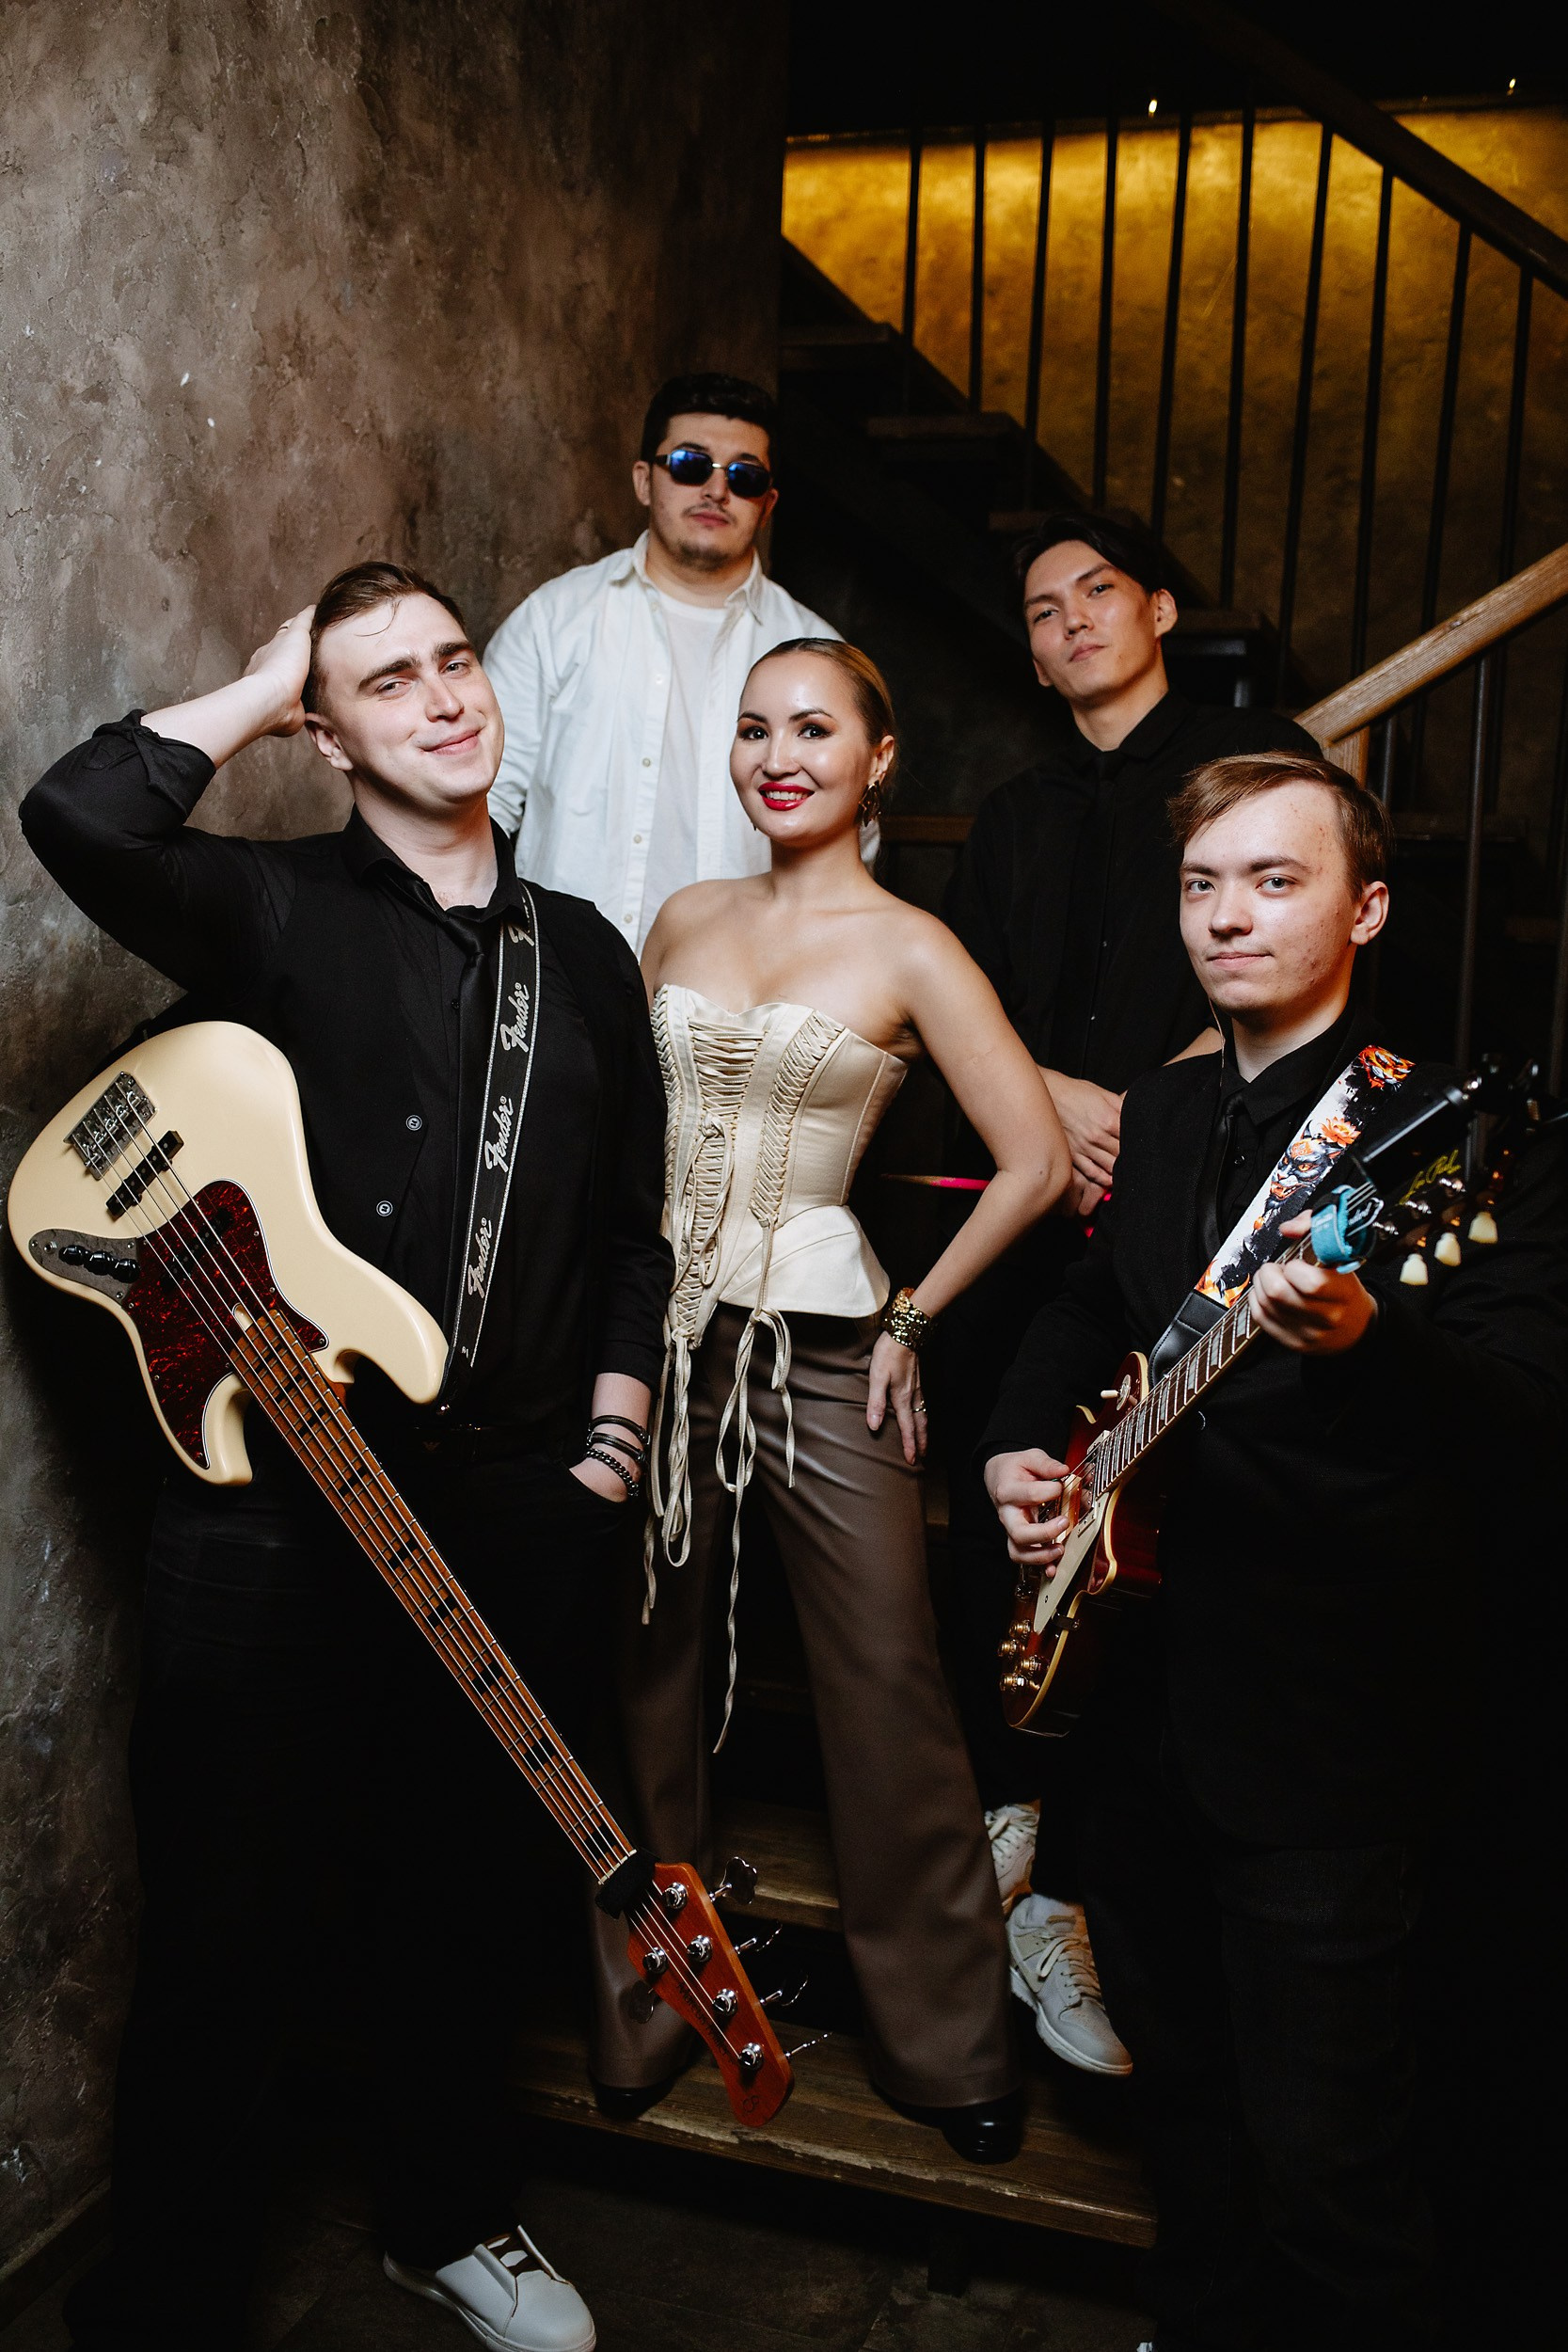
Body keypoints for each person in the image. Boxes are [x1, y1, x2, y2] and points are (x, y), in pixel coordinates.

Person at [19, 564, 674, 2352]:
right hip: (270, 1507)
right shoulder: (274, 906)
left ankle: (445, 2217)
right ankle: (167, 2297)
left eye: (455, 661)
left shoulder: (585, 953)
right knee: (223, 1917)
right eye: (386, 682)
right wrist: (259, 687)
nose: (444, 697)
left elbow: (632, 1230)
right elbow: (79, 813)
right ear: (327, 732)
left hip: (512, 1496)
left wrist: (610, 1446)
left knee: (463, 1895)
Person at [981, 751, 1568, 2351]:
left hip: (1325, 1732)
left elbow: (1527, 1415)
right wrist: (1019, 1444)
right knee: (1185, 2109)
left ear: (1364, 910)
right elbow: (1091, 1309)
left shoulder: (1450, 1134)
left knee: (1333, 2160)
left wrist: (1371, 1339)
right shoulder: (1167, 1109)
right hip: (1138, 1710)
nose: (1224, 916)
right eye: (1200, 884)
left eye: (1272, 879)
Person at [589, 638, 1072, 2164]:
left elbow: (1036, 1161)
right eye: (752, 728)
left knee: (885, 1680)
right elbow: (619, 1135)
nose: (775, 754)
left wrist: (914, 1318)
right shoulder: (683, 915)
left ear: (878, 760)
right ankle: (649, 2009)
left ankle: (946, 2044)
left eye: (811, 729)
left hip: (818, 1343)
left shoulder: (914, 948)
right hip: (661, 1336)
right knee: (642, 1674)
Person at [939, 512, 1322, 2075]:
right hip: (1029, 1181)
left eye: (1095, 591)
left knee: (1152, 1528)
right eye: (1040, 609)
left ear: (1159, 609)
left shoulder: (1247, 762)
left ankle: (1078, 1871)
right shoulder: (1014, 810)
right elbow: (957, 996)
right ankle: (1001, 1794)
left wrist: (1144, 1113)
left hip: (1189, 1180)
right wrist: (1055, 1106)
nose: (1069, 622)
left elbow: (1266, 967)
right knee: (996, 1466)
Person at [483, 371, 838, 949]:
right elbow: (482, 803)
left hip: (748, 982)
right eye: (691, 465)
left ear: (768, 503)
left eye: (744, 476)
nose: (716, 490)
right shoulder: (554, 620)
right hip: (565, 974)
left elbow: (849, 841)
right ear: (645, 480)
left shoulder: (818, 653)